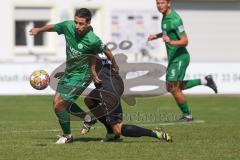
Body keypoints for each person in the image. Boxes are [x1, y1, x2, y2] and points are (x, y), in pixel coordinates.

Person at [29, 8, 108, 144]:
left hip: (82, 75)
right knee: (58, 102)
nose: (77, 26)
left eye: (80, 23)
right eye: (75, 22)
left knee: (60, 105)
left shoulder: (92, 39)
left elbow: (105, 50)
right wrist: (39, 30)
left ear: (88, 23)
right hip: (70, 71)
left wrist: (110, 70)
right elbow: (53, 27)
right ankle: (87, 118)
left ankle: (67, 136)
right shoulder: (68, 26)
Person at [83, 45, 173, 142]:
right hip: (116, 83)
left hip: (108, 90)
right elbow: (107, 51)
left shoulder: (88, 55)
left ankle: (156, 133)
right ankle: (110, 132)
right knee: (89, 100)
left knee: (118, 128)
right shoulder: (98, 51)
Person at [147, 0, 218, 121]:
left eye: (162, 3)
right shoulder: (165, 17)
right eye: (158, 3)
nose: (159, 6)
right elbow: (168, 31)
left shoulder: (175, 20)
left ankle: (187, 115)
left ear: (168, 3)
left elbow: (185, 41)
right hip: (174, 58)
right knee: (172, 87)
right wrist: (157, 36)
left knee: (173, 87)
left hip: (180, 58)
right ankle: (205, 81)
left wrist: (171, 42)